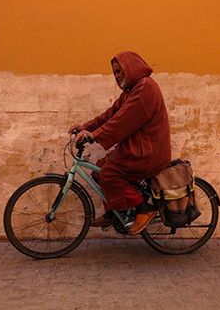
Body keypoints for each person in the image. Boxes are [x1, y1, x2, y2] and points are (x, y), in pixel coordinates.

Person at [68, 51, 171, 235]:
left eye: (119, 71)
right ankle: (114, 211)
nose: (116, 76)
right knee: (100, 169)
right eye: (114, 73)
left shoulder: (145, 88)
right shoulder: (131, 91)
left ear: (131, 67)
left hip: (148, 152)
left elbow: (121, 121)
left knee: (109, 173)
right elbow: (110, 114)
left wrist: (94, 135)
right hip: (137, 148)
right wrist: (85, 126)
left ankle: (143, 209)